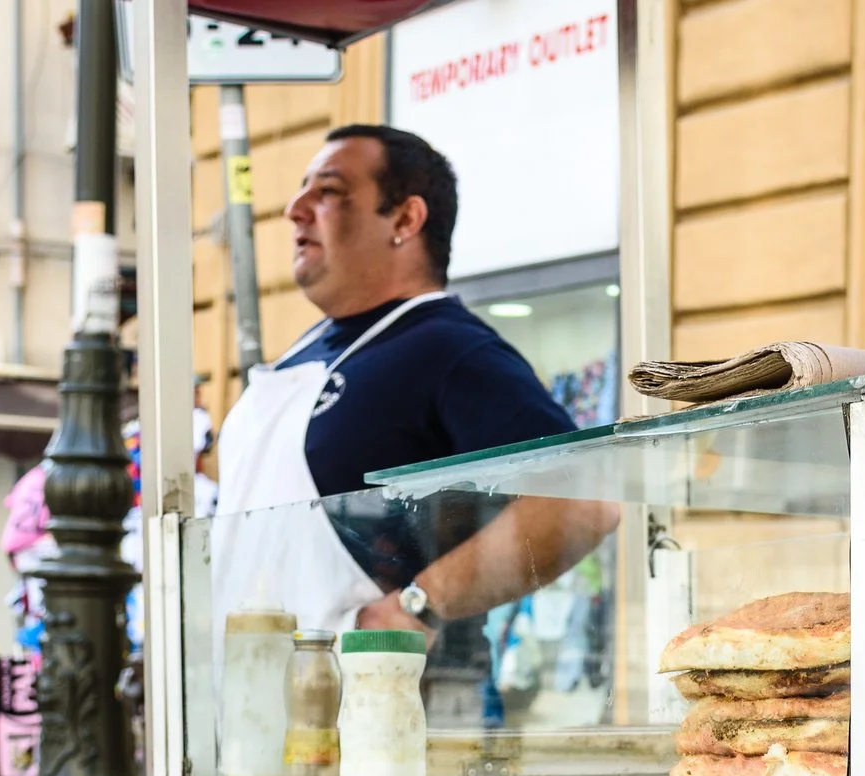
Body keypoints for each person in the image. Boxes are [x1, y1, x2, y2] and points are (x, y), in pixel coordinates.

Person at [210, 124, 615, 722]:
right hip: (241, 716)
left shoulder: (447, 349)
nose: (295, 210)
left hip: (366, 717)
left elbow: (585, 498)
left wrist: (420, 605)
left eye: (328, 191)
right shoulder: (306, 353)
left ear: (404, 219)